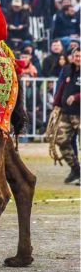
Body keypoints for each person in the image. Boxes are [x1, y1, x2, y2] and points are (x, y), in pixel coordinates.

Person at [54, 49, 80, 184]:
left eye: (80, 56)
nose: (78, 58)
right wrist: (56, 103)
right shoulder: (67, 69)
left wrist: (76, 97)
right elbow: (62, 87)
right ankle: (76, 170)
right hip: (66, 113)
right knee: (61, 140)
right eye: (76, 56)